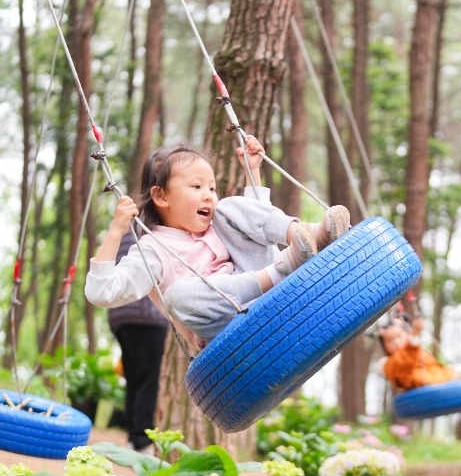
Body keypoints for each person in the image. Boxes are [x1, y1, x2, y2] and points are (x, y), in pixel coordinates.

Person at [86, 134, 351, 350]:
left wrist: (252, 170)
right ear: (161, 196)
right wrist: (115, 231)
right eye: (196, 187)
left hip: (267, 292)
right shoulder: (153, 250)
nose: (209, 196)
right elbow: (102, 292)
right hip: (231, 325)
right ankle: (286, 268)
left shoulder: (218, 223)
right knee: (176, 296)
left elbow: (257, 224)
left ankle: (311, 234)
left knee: (229, 207)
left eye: (211, 188)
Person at [107, 230, 169, 451]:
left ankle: (134, 437)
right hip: (147, 316)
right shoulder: (152, 226)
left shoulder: (122, 228)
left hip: (119, 316)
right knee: (148, 381)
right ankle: (142, 442)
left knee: (134, 379)